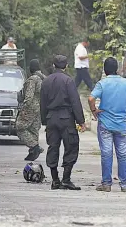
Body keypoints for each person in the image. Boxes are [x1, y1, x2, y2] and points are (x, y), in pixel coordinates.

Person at [88, 57, 126, 192]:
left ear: (104, 69)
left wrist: (94, 111)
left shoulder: (102, 83)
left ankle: (107, 184)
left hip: (105, 124)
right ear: (117, 69)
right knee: (123, 155)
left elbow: (91, 98)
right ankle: (125, 185)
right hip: (122, 124)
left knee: (106, 153)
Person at [40, 55, 86, 190]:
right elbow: (75, 102)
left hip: (51, 118)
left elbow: (42, 103)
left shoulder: (46, 81)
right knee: (71, 147)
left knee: (53, 147)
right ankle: (66, 178)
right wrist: (81, 121)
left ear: (53, 66)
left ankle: (55, 179)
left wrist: (44, 120)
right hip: (66, 118)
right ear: (66, 66)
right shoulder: (68, 81)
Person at [16, 59, 46, 161]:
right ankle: (33, 152)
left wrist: (23, 108)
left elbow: (28, 97)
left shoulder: (32, 80)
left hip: (30, 107)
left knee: (19, 128)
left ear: (30, 68)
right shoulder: (44, 79)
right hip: (40, 107)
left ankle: (35, 147)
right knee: (34, 130)